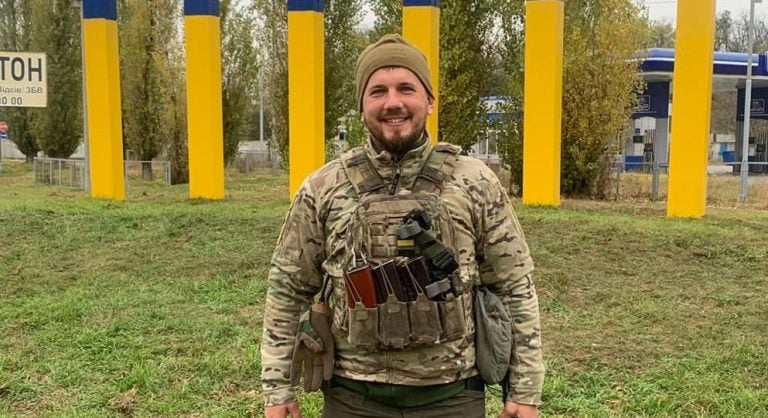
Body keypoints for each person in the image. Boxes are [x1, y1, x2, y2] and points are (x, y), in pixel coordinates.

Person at [261, 34, 544, 418]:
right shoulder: (323, 187)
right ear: (362, 107)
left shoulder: (476, 182)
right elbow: (288, 286)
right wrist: (277, 389)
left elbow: (514, 286)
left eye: (406, 88)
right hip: (352, 399)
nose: (392, 102)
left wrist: (526, 390)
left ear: (429, 101)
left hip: (452, 398)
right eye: (377, 91)